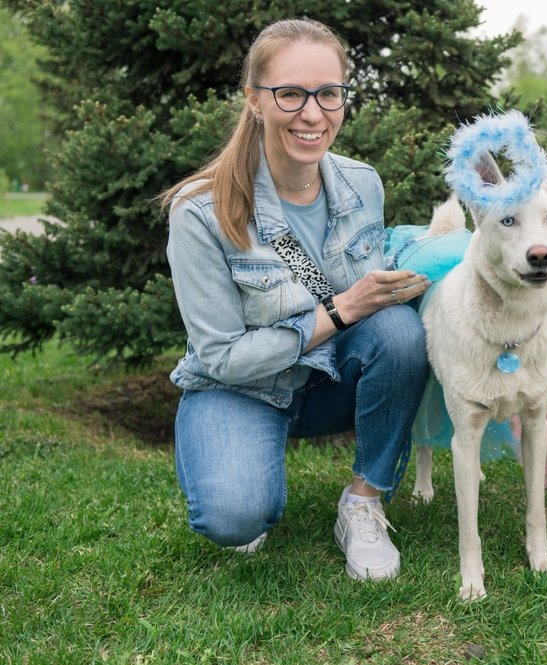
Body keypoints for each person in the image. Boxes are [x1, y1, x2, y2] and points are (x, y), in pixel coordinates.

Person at [160, 17, 430, 581]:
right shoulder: (200, 212)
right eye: (290, 94)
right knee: (232, 517)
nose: (313, 114)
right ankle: (248, 483)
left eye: (329, 94)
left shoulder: (363, 183)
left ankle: (363, 501)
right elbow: (221, 358)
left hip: (329, 379)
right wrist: (341, 309)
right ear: (254, 100)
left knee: (402, 334)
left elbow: (372, 315)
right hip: (241, 389)